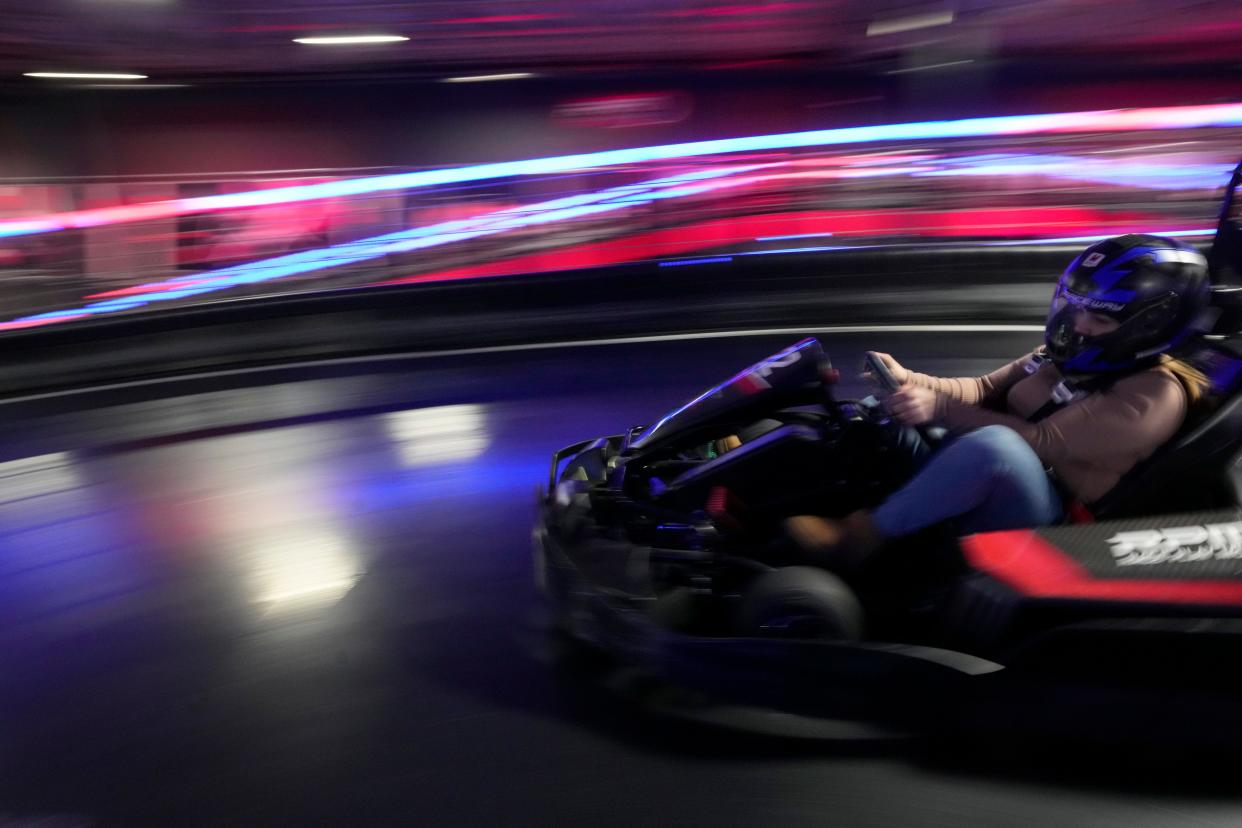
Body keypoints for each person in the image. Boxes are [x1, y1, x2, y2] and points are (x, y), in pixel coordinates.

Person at [783, 233, 1213, 569]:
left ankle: (858, 539)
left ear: (1148, 327)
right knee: (884, 412)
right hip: (993, 471)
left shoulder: (1155, 393)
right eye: (1074, 306)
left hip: (1049, 526)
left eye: (1097, 318)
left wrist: (938, 409)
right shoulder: (1068, 355)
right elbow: (984, 389)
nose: (1075, 324)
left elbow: (1040, 441)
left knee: (995, 447)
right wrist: (907, 380)